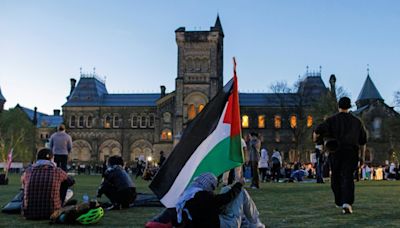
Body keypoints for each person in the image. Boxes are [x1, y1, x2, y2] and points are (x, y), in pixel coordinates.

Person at [314, 97, 367, 214]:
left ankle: (339, 200)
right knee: (348, 177)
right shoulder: (357, 122)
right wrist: (362, 157)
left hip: (336, 151)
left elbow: (317, 131)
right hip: (351, 152)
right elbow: (363, 141)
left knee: (335, 176)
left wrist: (320, 144)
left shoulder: (331, 120)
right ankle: (347, 203)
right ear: (350, 106)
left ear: (339, 106)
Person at [176, 172, 264, 228]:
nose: (212, 190)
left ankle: (247, 221)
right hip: (224, 225)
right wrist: (239, 184)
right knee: (241, 192)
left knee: (226, 189)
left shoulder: (187, 196)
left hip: (211, 222)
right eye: (212, 187)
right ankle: (255, 223)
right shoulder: (201, 196)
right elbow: (224, 199)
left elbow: (216, 204)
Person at [22, 148, 75, 219]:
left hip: (29, 213)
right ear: (51, 159)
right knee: (68, 188)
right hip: (52, 212)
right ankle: (61, 204)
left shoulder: (28, 171)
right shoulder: (57, 171)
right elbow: (71, 182)